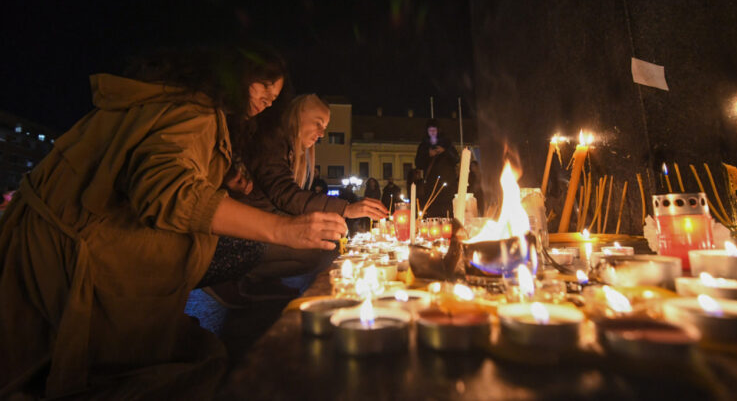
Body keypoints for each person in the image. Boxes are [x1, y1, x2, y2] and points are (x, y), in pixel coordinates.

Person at [0, 47, 347, 400]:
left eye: (275, 97)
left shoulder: (186, 106)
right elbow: (166, 189)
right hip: (70, 267)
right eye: (264, 89)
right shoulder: (193, 111)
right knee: (196, 369)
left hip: (61, 254)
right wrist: (284, 229)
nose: (268, 103)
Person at [207, 94, 387, 304]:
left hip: (258, 227)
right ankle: (234, 277)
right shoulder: (271, 140)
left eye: (325, 127)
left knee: (326, 243)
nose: (321, 134)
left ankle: (260, 279)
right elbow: (284, 194)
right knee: (323, 247)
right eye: (318, 123)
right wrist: (346, 209)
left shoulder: (289, 149)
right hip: (241, 233)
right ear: (298, 114)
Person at [414, 119, 459, 217]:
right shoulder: (424, 145)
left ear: (438, 130)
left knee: (448, 212)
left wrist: (445, 151)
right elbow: (418, 163)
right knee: (433, 211)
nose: (432, 132)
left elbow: (456, 159)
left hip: (447, 185)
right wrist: (428, 154)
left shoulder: (446, 143)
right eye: (430, 130)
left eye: (434, 130)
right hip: (431, 185)